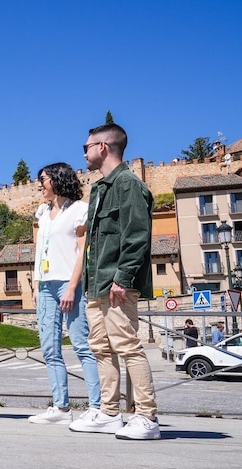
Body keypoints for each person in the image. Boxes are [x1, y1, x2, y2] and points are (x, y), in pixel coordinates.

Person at [68, 123, 159, 440]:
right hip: (98, 284)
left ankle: (147, 417)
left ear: (103, 147)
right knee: (102, 349)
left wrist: (123, 277)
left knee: (128, 347)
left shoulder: (128, 185)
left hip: (117, 284)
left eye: (87, 146)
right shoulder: (100, 189)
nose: (84, 152)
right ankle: (109, 413)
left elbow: (137, 237)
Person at [28, 163, 101, 425]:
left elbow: (83, 250)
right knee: (50, 348)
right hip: (45, 285)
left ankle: (97, 407)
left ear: (57, 180)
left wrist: (72, 286)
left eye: (43, 180)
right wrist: (36, 284)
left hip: (70, 283)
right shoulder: (43, 213)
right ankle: (61, 408)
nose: (39, 185)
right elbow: (39, 252)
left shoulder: (79, 210)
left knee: (81, 345)